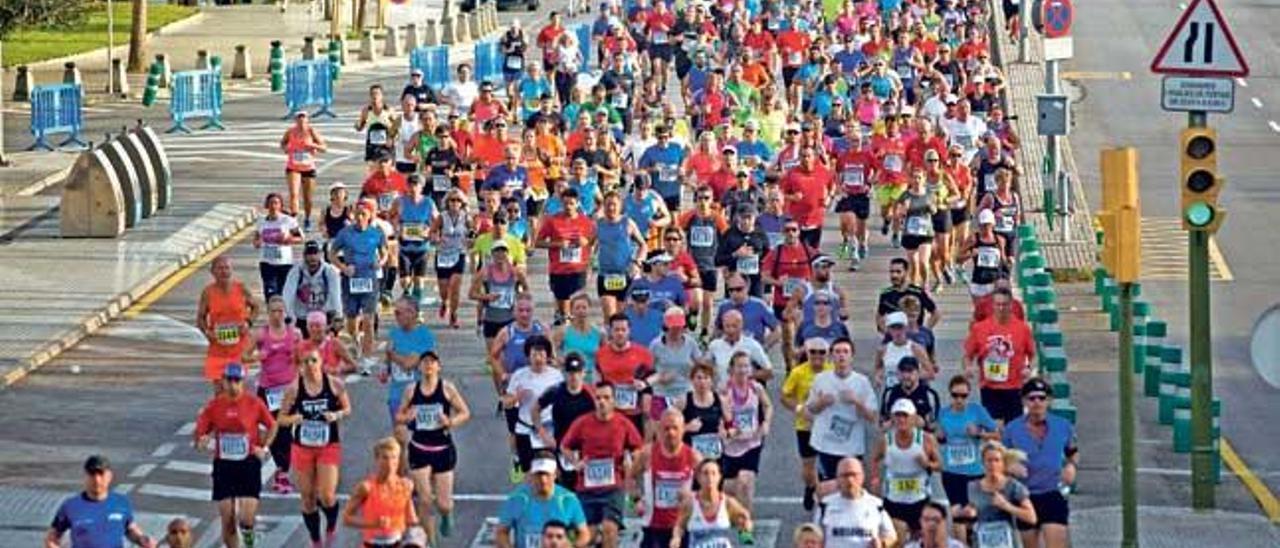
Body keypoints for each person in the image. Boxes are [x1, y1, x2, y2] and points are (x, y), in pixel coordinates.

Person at [194, 363, 277, 548]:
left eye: (237, 381)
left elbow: (272, 425)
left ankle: (249, 539)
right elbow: (200, 432)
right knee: (228, 519)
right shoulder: (214, 406)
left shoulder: (254, 403)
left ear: (243, 382)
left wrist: (265, 448)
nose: (233, 385)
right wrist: (202, 440)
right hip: (224, 466)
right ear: (223, 381)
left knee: (246, 519)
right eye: (229, 380)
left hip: (248, 464)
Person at [277, 347, 351, 547]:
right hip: (303, 447)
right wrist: (294, 418)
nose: (310, 366)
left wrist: (336, 415)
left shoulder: (334, 384)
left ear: (321, 362)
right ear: (300, 366)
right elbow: (281, 419)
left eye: (313, 361)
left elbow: (347, 408)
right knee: (308, 497)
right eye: (305, 362)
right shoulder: (294, 389)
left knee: (326, 496)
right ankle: (316, 539)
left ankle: (331, 524)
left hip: (328, 445)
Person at [396, 351, 471, 543]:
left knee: (444, 504)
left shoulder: (447, 388)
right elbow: (399, 416)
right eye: (425, 362)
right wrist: (407, 417)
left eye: (432, 362)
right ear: (419, 367)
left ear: (439, 366)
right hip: (419, 448)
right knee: (425, 500)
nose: (428, 365)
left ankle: (446, 515)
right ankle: (430, 541)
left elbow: (465, 412)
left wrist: (450, 422)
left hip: (442, 449)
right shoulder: (411, 390)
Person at [559, 382, 645, 548]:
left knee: (609, 528)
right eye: (598, 398)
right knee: (586, 537)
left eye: (606, 398)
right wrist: (576, 463)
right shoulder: (582, 423)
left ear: (613, 400)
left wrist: (631, 459)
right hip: (587, 488)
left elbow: (638, 448)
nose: (602, 402)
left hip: (613, 487)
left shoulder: (623, 424)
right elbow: (565, 446)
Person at [1003, 379, 1077, 548]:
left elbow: (1073, 452)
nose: (1037, 402)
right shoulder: (1012, 429)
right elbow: (1000, 458)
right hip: (1025, 496)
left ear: (1049, 401)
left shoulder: (1063, 426)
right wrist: (1008, 466)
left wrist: (1071, 466)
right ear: (1024, 401)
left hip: (1053, 493)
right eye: (1032, 398)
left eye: (1042, 398)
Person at [239, 296, 301, 495]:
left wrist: (297, 367)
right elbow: (244, 356)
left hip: (288, 389)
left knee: (285, 430)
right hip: (268, 390)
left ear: (285, 312)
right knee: (273, 429)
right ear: (268, 313)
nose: (277, 315)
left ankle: (282, 472)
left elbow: (304, 358)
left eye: (280, 311)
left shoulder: (295, 334)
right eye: (273, 311)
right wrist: (259, 356)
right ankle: (280, 468)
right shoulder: (261, 335)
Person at [868, 399, 942, 541]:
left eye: (905, 416)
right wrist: (875, 478)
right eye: (898, 415)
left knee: (920, 539)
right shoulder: (886, 440)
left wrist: (927, 464)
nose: (901, 420)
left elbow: (940, 466)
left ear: (914, 418)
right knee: (895, 538)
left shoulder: (926, 439)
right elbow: (874, 459)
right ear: (893, 418)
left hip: (919, 498)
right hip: (894, 499)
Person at [806, 338, 877, 482]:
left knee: (850, 487)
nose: (841, 356)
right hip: (826, 444)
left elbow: (873, 416)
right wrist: (822, 402)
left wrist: (857, 401)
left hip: (851, 447)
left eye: (845, 352)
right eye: (837, 352)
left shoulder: (862, 382)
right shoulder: (820, 379)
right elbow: (810, 409)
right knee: (828, 488)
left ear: (852, 356)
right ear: (831, 356)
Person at [46, 455, 155, 548]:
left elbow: (130, 528)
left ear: (110, 476)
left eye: (101, 474)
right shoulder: (70, 506)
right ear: (86, 476)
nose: (97, 480)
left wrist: (142, 539)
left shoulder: (121, 502)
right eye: (92, 474)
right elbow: (53, 536)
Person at [328, 200, 388, 366]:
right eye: (357, 214)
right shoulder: (345, 233)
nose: (360, 217)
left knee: (368, 319)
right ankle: (355, 341)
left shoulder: (377, 232)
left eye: (364, 214)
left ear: (369, 216)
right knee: (352, 319)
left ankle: (367, 356)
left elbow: (384, 253)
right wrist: (343, 267)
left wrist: (380, 262)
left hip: (369, 279)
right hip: (350, 280)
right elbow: (332, 254)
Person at [964, 288, 1035, 425]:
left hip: (1014, 387)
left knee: (1013, 430)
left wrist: (1028, 368)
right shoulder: (980, 328)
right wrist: (968, 367)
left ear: (1011, 306)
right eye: (998, 304)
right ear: (993, 305)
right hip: (990, 387)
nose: (1001, 308)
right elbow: (968, 355)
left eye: (1004, 304)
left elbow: (1033, 354)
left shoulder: (1022, 328)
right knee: (993, 429)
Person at [630, 409, 700, 548]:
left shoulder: (693, 456)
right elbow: (630, 479)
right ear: (659, 430)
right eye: (666, 428)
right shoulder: (648, 453)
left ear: (683, 429)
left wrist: (693, 496)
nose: (671, 433)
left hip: (682, 526)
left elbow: (709, 486)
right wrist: (635, 502)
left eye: (675, 428)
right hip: (654, 525)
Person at [781, 337, 834, 511]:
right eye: (813, 352)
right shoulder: (798, 372)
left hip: (828, 426)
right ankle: (811, 486)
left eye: (822, 352)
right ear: (806, 353)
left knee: (828, 464)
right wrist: (798, 408)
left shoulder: (833, 371)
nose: (817, 356)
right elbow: (784, 396)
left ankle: (824, 497)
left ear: (828, 354)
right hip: (806, 425)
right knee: (808, 467)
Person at [496, 454, 591, 548]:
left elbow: (584, 533)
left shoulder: (568, 500)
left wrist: (573, 546)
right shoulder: (517, 499)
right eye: (539, 474)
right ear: (532, 475)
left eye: (547, 474)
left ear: (555, 474)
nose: (543, 480)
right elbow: (502, 532)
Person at [954, 442, 1037, 548]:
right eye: (989, 460)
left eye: (997, 460)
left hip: (1008, 542)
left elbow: (1031, 517)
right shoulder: (972, 487)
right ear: (982, 463)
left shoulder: (1013, 486)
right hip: (983, 541)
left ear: (1003, 463)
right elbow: (962, 511)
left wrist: (1006, 506)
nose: (992, 464)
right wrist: (964, 512)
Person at [532, 353, 597, 487]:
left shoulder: (591, 395)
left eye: (577, 373)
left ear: (584, 373)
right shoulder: (556, 391)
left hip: (583, 448)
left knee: (584, 486)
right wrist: (542, 433)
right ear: (565, 374)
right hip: (560, 446)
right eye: (570, 373)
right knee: (560, 486)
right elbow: (535, 409)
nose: (574, 377)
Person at [505, 335, 566, 478]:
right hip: (525, 429)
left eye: (541, 354)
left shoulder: (556, 376)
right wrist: (516, 397)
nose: (538, 358)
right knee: (529, 472)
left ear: (547, 355)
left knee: (550, 471)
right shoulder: (519, 375)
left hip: (548, 429)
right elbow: (506, 403)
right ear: (528, 356)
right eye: (534, 354)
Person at [536, 188, 598, 325]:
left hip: (578, 270)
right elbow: (537, 242)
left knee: (577, 306)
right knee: (564, 310)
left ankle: (576, 335)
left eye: (571, 203)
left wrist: (586, 242)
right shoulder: (552, 221)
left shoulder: (586, 222)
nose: (568, 207)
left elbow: (595, 240)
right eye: (565, 204)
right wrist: (557, 244)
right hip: (558, 270)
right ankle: (562, 324)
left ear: (577, 203)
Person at [343, 437, 421, 547]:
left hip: (397, 543)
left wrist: (418, 536)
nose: (390, 463)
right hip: (371, 544)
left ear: (399, 460)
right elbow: (346, 519)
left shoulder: (405, 486)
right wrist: (374, 524)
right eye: (385, 458)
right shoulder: (366, 488)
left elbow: (411, 519)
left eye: (394, 458)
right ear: (376, 459)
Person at [197, 257, 261, 391]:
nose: (224, 272)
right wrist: (207, 332)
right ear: (212, 272)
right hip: (218, 348)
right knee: (220, 390)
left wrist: (248, 323)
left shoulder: (241, 288)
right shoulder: (208, 292)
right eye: (220, 268)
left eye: (227, 268)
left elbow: (256, 307)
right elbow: (200, 318)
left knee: (236, 389)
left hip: (239, 347)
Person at [720, 351, 772, 513]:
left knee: (745, 480)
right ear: (731, 369)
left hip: (752, 442)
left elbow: (768, 406)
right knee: (729, 485)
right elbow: (716, 414)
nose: (743, 370)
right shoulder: (724, 390)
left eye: (746, 366)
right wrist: (725, 431)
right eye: (739, 366)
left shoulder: (756, 388)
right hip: (731, 445)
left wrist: (766, 423)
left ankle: (745, 522)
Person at [814, 457, 897, 548]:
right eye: (845, 475)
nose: (850, 480)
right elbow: (813, 536)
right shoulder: (825, 505)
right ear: (837, 478)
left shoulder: (876, 505)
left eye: (853, 475)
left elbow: (891, 536)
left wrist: (882, 543)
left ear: (862, 477)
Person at [646, 308, 705, 436]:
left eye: (680, 327)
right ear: (666, 326)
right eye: (673, 327)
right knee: (662, 432)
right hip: (662, 393)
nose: (677, 330)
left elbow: (701, 364)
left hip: (685, 392)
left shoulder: (690, 343)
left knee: (688, 430)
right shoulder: (656, 345)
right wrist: (660, 377)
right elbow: (647, 371)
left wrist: (694, 374)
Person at [671, 459, 755, 547]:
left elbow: (744, 520)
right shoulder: (690, 504)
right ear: (698, 478)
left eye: (713, 473)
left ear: (719, 477)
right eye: (706, 473)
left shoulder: (727, 502)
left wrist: (746, 537)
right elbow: (679, 526)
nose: (710, 478)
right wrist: (676, 538)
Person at [594, 313, 655, 432]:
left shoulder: (643, 353)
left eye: (623, 329)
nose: (620, 333)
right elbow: (597, 379)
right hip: (610, 412)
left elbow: (655, 375)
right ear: (610, 331)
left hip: (635, 411)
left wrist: (645, 383)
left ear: (629, 331)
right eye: (616, 330)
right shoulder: (601, 354)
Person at [594, 191, 648, 319]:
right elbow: (588, 244)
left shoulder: (627, 223)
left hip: (625, 275)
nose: (611, 208)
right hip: (605, 275)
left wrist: (637, 262)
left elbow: (643, 245)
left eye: (614, 205)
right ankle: (610, 337)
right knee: (609, 316)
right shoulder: (598, 224)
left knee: (622, 317)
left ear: (620, 206)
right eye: (608, 205)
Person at [385, 297, 438, 428]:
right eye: (395, 313)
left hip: (418, 397)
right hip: (396, 395)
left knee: (420, 439)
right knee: (401, 438)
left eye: (398, 313)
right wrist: (386, 370)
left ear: (412, 313)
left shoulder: (424, 336)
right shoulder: (394, 333)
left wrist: (392, 354)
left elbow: (410, 364)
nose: (396, 317)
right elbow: (389, 362)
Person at [391, 174, 439, 307]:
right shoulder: (400, 201)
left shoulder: (428, 202)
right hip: (405, 247)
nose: (413, 188)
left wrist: (430, 232)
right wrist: (396, 228)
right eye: (410, 185)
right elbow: (391, 216)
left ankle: (415, 309)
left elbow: (437, 220)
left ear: (421, 187)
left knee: (419, 281)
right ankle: (407, 295)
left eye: (416, 185)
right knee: (405, 282)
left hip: (422, 247)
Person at [430, 189, 473, 328]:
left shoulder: (465, 217)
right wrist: (436, 238)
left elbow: (472, 232)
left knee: (455, 286)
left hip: (458, 253)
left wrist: (471, 238)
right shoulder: (442, 217)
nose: (455, 203)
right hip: (443, 254)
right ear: (447, 202)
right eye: (452, 200)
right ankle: (444, 302)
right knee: (444, 289)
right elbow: (432, 231)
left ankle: (454, 314)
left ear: (462, 203)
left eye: (458, 200)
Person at [281, 241, 345, 335]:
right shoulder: (296, 272)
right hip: (303, 316)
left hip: (324, 315)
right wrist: (289, 317)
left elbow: (336, 295)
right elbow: (288, 294)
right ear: (304, 256)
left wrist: (338, 316)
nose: (312, 257)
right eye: (309, 254)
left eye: (315, 254)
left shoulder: (330, 271)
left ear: (320, 255)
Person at [471, 240, 528, 343]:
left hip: (510, 319)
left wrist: (519, 302)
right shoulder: (484, 272)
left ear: (507, 254)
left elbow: (527, 291)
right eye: (497, 251)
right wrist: (487, 297)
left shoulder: (516, 272)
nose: (500, 254)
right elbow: (471, 294)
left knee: (509, 354)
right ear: (492, 254)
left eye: (503, 251)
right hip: (491, 318)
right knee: (492, 355)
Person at [279, 111, 328, 229]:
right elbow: (282, 144)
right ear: (296, 121)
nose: (301, 124)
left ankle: (307, 218)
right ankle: (294, 220)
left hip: (308, 168)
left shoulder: (311, 131)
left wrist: (312, 146)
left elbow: (324, 148)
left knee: (308, 197)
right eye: (299, 121)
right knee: (294, 194)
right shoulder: (290, 132)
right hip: (293, 167)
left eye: (304, 121)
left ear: (307, 122)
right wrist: (287, 148)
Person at [254, 193, 305, 300]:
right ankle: (272, 314)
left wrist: (288, 240)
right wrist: (257, 243)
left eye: (276, 203)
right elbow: (256, 239)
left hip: (284, 263)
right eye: (271, 203)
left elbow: (301, 238)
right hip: (267, 262)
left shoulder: (288, 221)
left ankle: (284, 315)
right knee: (270, 292)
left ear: (280, 205)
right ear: (266, 205)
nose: (273, 206)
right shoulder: (261, 222)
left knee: (284, 293)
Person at [706, 310, 774, 386]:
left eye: (734, 326)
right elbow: (705, 369)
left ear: (741, 326)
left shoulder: (752, 344)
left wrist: (746, 375)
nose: (731, 330)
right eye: (727, 326)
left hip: (744, 393)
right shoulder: (715, 345)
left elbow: (769, 372)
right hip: (722, 392)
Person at [876, 312, 936, 392]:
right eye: (893, 328)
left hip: (913, 392)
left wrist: (910, 376)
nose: (897, 332)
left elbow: (931, 374)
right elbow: (878, 367)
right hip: (892, 392)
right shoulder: (883, 350)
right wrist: (879, 376)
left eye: (900, 327)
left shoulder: (916, 348)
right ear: (889, 330)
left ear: (906, 328)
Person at [876, 257, 939, 333]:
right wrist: (887, 333)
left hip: (914, 336)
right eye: (891, 272)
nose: (894, 275)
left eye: (898, 272)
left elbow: (935, 313)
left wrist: (925, 330)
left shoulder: (918, 292)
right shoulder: (886, 294)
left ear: (906, 272)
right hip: (895, 337)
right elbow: (879, 316)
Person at [880, 357, 943, 432]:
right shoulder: (889, 393)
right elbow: (882, 424)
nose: (906, 376)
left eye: (910, 371)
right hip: (896, 439)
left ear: (918, 372)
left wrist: (924, 423)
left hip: (921, 440)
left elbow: (936, 426)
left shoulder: (930, 395)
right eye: (903, 371)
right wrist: (893, 421)